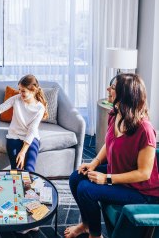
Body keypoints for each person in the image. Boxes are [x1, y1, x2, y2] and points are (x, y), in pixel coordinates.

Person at [64, 73, 159, 238]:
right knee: (76, 177)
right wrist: (94, 163)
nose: (108, 89)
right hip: (118, 172)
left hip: (141, 191)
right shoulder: (115, 113)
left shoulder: (145, 130)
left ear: (125, 94)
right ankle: (86, 225)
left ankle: (95, 235)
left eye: (113, 87)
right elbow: (109, 143)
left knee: (86, 189)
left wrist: (106, 178)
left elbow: (144, 173)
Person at [0, 74, 48, 172]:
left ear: (33, 90)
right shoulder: (16, 99)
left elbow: (32, 130)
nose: (20, 93)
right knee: (16, 169)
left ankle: (30, 187)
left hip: (31, 137)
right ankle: (16, 186)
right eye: (19, 90)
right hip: (14, 136)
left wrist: (23, 152)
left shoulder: (40, 108)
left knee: (29, 169)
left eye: (23, 91)